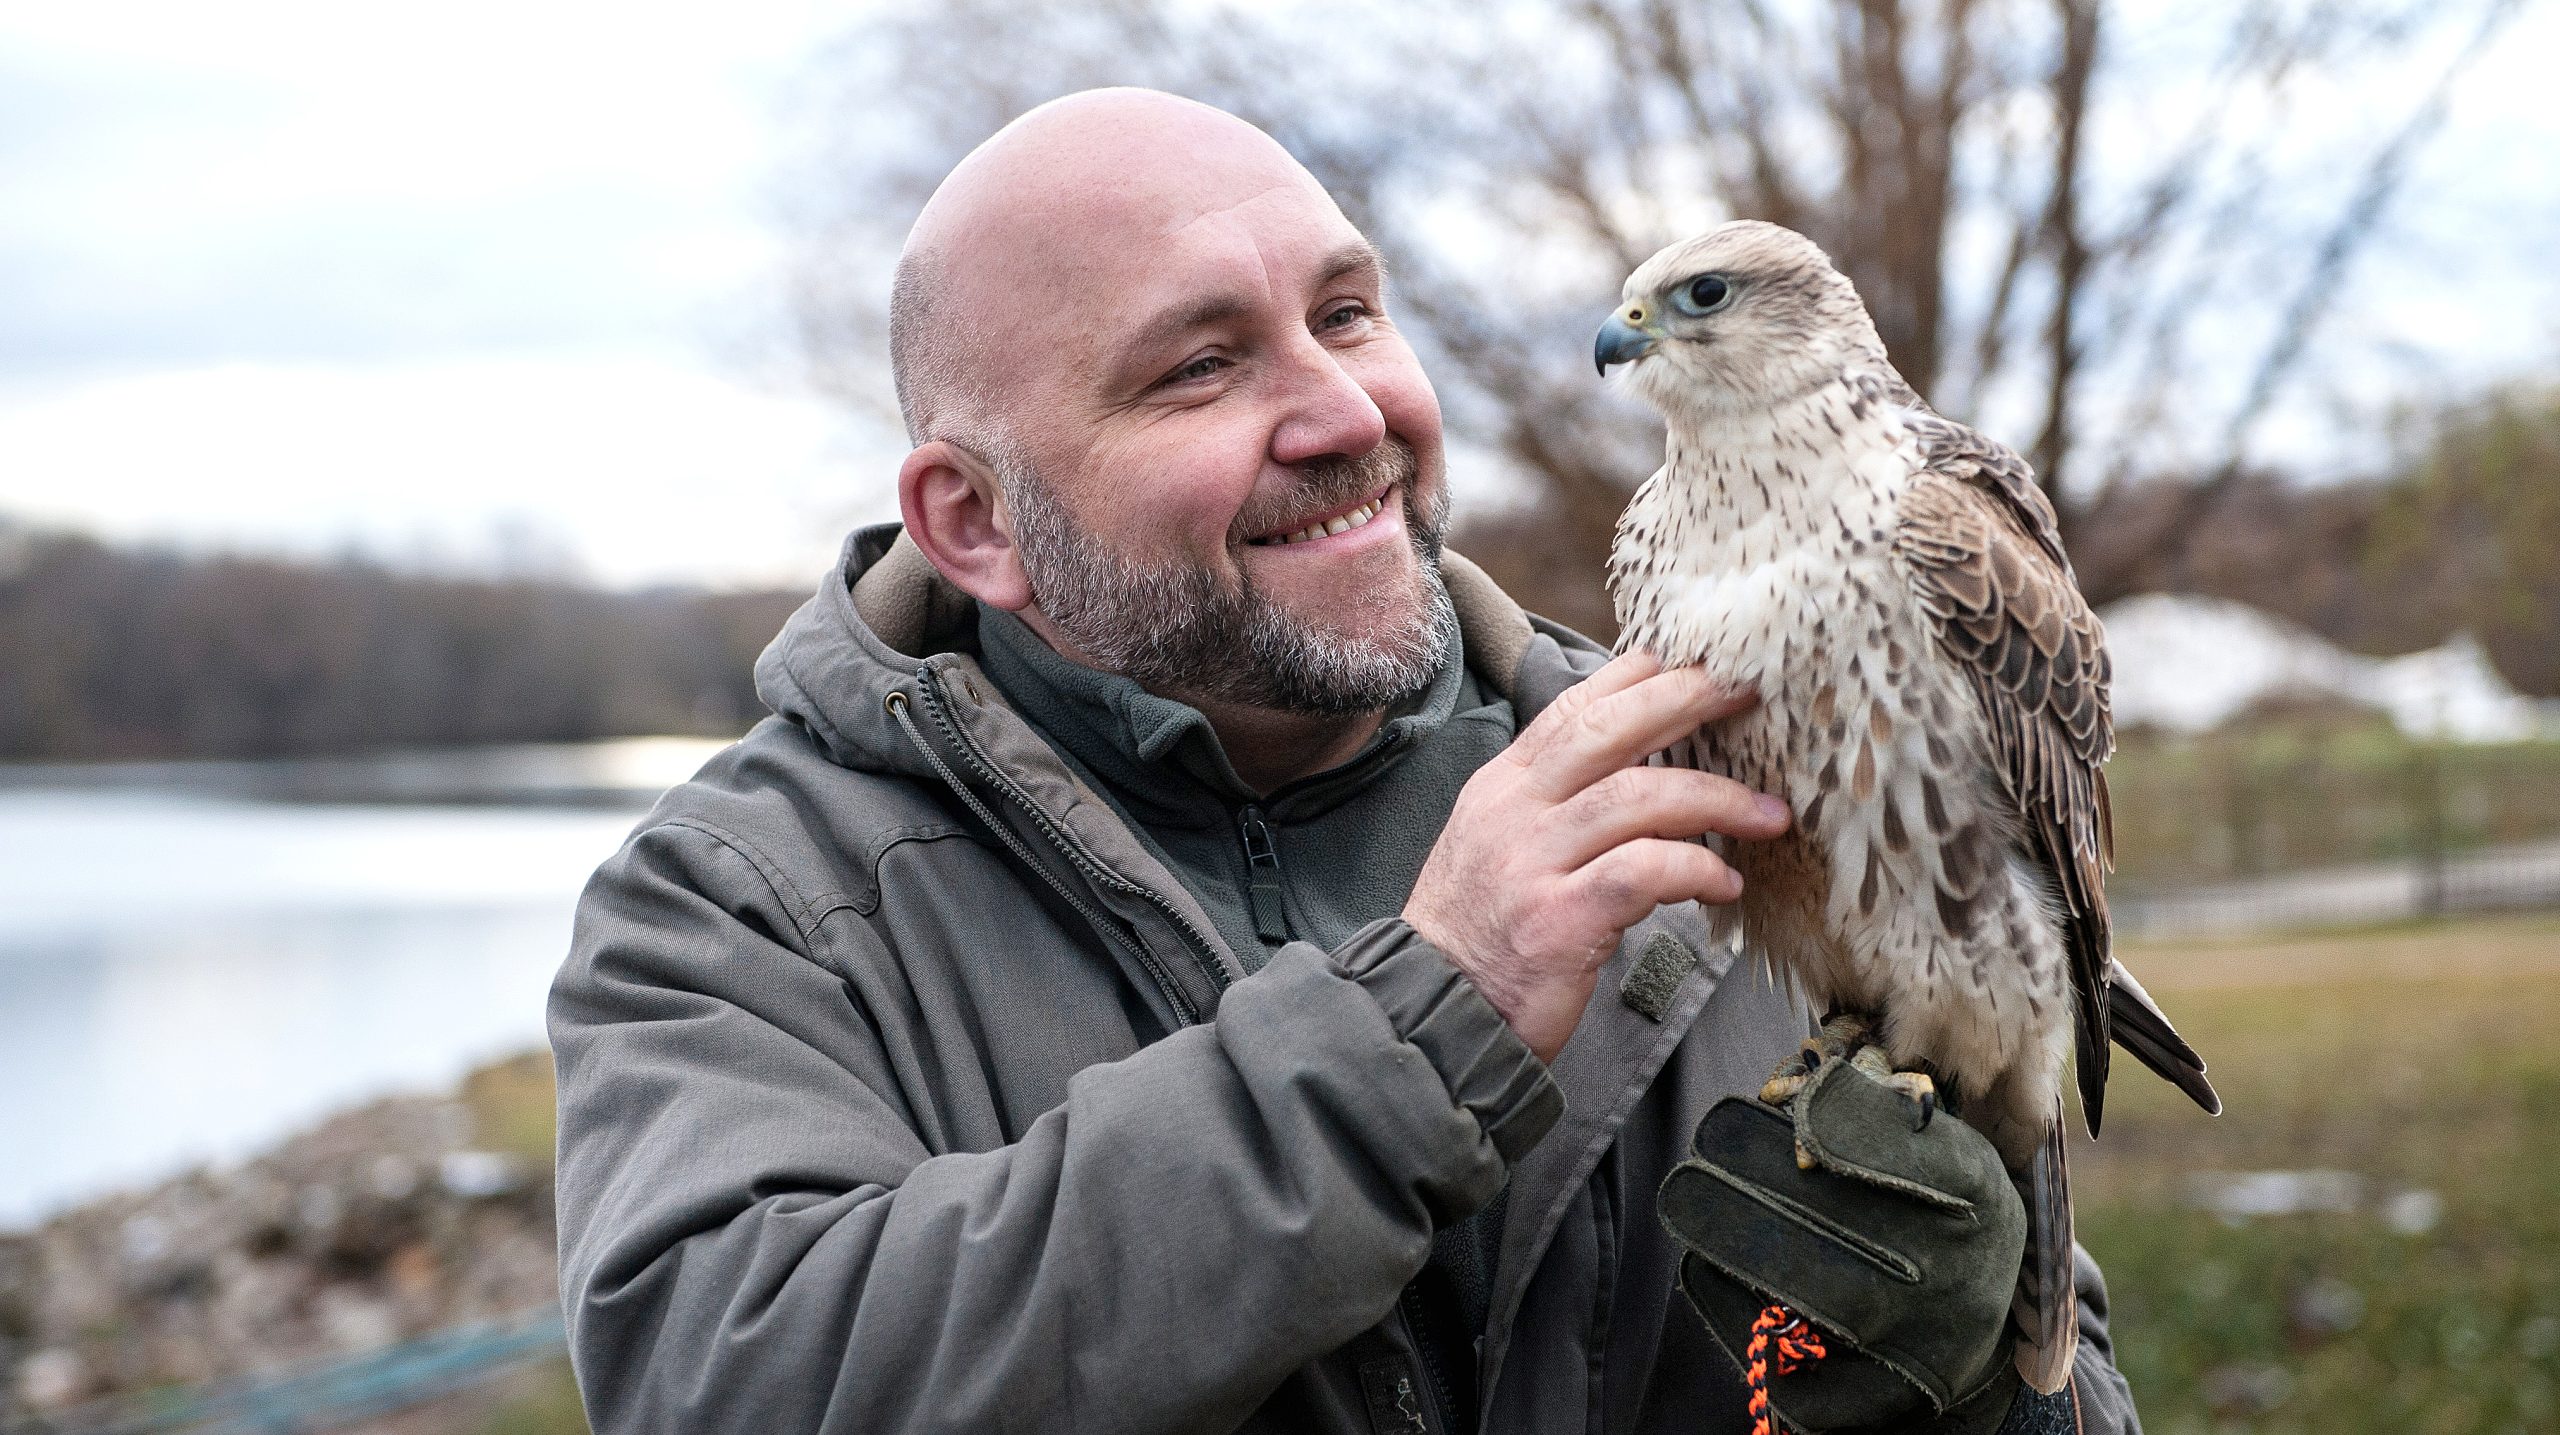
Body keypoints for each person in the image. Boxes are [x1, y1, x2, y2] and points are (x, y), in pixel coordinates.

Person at [550, 88, 2141, 1434]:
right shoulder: (738, 909)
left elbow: (2064, 1383)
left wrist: (1977, 1401)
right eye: (1199, 366)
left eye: (1346, 315)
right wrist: (1423, 1027)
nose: (1342, 411)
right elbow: (735, 1379)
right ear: (973, 523)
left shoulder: (1687, 763)